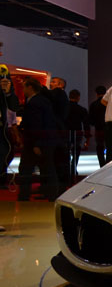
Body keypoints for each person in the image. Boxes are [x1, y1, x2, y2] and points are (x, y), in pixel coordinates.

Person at [18, 77, 58, 201]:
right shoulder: (42, 101)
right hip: (44, 141)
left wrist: (37, 144)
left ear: (30, 87)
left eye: (24, 87)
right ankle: (51, 195)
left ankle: (24, 196)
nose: (23, 90)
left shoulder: (34, 103)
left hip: (35, 142)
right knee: (47, 168)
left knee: (26, 169)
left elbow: (36, 124)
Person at [1, 42, 21, 190]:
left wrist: (7, 92)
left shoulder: (3, 72)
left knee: (5, 153)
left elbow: (13, 106)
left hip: (2, 126)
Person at [47, 76, 70, 190]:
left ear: (61, 85)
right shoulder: (62, 96)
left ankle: (56, 186)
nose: (51, 83)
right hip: (61, 132)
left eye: (54, 82)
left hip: (56, 132)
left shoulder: (57, 93)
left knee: (56, 159)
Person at [64, 89, 90, 177]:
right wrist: (87, 138)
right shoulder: (82, 110)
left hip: (65, 133)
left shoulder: (64, 109)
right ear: (78, 98)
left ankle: (66, 170)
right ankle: (73, 169)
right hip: (77, 133)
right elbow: (86, 124)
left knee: (65, 151)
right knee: (76, 152)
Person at [89, 85, 107, 167]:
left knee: (99, 147)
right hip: (108, 129)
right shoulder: (108, 104)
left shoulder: (93, 105)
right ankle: (109, 166)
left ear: (96, 93)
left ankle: (102, 166)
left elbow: (91, 120)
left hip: (98, 129)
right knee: (110, 147)